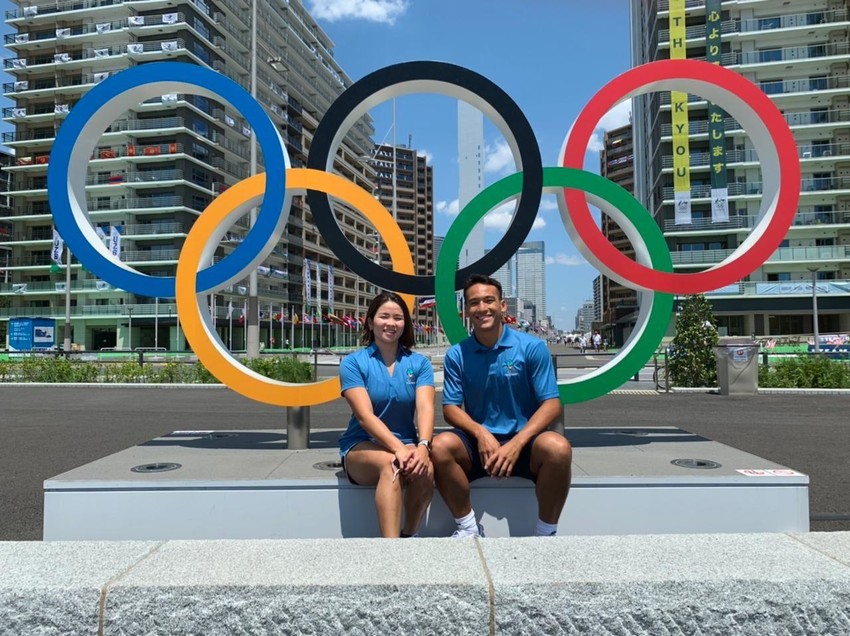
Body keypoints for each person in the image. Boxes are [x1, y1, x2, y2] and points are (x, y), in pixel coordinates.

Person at [431, 274, 572, 538]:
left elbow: (551, 404)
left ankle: (546, 533)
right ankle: (468, 527)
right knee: (440, 446)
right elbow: (450, 408)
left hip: (524, 443)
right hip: (480, 446)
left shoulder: (532, 347)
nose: (482, 308)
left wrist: (517, 443)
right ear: (466, 310)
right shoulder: (457, 354)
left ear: (502, 305)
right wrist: (481, 433)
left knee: (559, 448)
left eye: (488, 300)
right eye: (474, 303)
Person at [338, 291, 435, 538]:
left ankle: (408, 535)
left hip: (407, 443)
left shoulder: (419, 364)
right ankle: (391, 553)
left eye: (398, 318)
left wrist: (422, 446)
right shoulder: (353, 363)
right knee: (390, 464)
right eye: (384, 317)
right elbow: (365, 417)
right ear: (371, 322)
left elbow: (425, 408)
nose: (391, 323)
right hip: (362, 446)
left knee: (427, 470)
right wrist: (398, 450)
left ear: (405, 324)